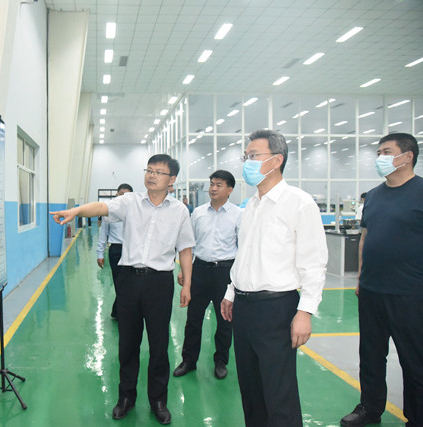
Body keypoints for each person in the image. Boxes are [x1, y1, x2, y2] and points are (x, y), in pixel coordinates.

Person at [51, 154, 195, 425]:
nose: (151, 175)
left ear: (172, 179)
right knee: (128, 344)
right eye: (149, 170)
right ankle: (126, 397)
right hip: (129, 280)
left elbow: (185, 249)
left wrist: (187, 284)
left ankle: (158, 400)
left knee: (159, 345)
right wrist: (76, 212)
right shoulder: (130, 202)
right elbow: (102, 207)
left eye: (159, 172)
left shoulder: (179, 211)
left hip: (160, 283)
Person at [220, 129, 328, 426]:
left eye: (254, 156)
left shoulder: (299, 203)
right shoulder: (251, 205)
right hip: (244, 308)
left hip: (276, 309)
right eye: (246, 156)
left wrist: (305, 312)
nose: (247, 162)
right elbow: (244, 255)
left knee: (278, 391)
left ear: (277, 160)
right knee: (251, 388)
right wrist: (231, 291)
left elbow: (314, 264)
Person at [340, 133, 423, 427]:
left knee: (414, 359)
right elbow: (366, 237)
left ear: (407, 156)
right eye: (378, 153)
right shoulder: (374, 196)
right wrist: (360, 278)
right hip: (372, 291)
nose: (380, 158)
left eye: (386, 152)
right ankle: (370, 408)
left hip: (410, 293)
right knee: (371, 355)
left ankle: (417, 416)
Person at [173, 170, 242, 380]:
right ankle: (188, 361)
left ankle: (221, 361)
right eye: (212, 184)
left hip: (225, 272)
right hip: (200, 270)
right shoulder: (198, 213)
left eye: (219, 185)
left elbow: (242, 248)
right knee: (193, 318)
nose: (213, 188)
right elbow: (188, 244)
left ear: (230, 190)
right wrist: (184, 270)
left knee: (225, 319)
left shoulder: (239, 214)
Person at [97, 183, 133, 319]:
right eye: (121, 194)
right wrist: (100, 254)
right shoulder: (110, 212)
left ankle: (117, 311)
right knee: (119, 283)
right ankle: (121, 313)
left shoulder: (135, 212)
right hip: (116, 251)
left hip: (132, 251)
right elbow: (103, 233)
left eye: (127, 195)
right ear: (117, 195)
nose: (123, 197)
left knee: (130, 284)